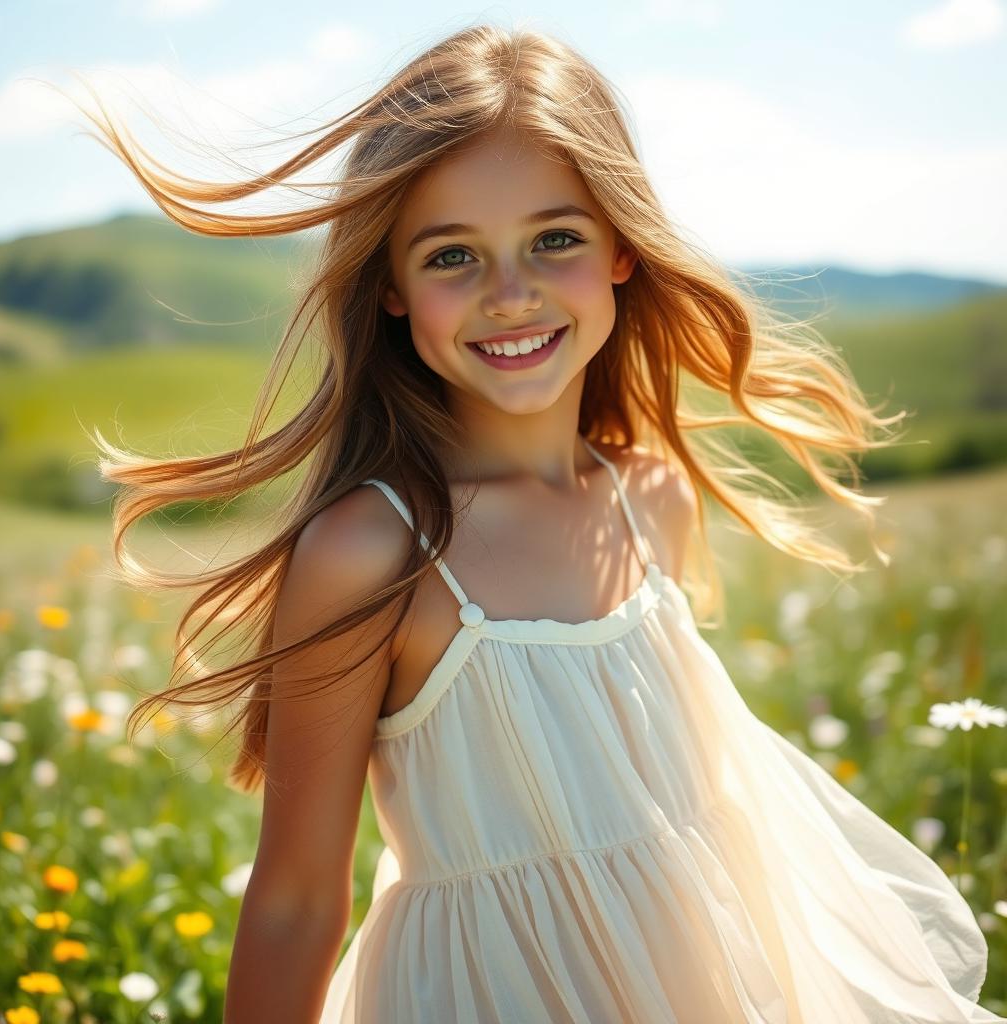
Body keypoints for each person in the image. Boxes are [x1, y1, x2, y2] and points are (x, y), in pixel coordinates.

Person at [67, 22, 1001, 1024]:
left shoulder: (650, 500)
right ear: (389, 287)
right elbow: (297, 898)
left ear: (621, 251)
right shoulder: (372, 552)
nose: (509, 295)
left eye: (554, 239)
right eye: (452, 255)